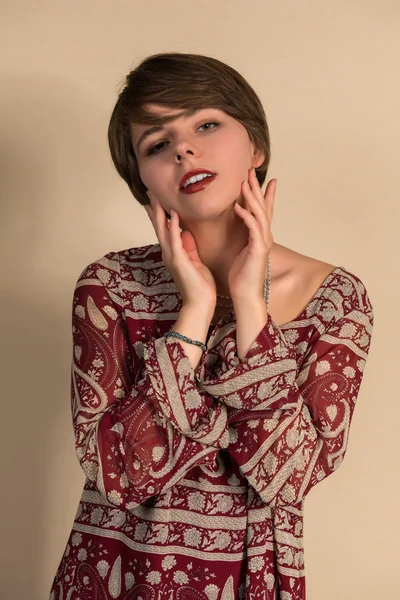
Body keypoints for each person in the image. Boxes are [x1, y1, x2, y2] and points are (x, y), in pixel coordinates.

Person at [49, 53, 374, 600]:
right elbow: (118, 475)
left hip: (251, 579)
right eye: (157, 143)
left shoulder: (335, 300)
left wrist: (250, 304)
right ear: (142, 184)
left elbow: (289, 478)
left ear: (257, 144)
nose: (183, 147)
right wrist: (195, 313)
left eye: (205, 123)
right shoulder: (108, 287)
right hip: (115, 575)